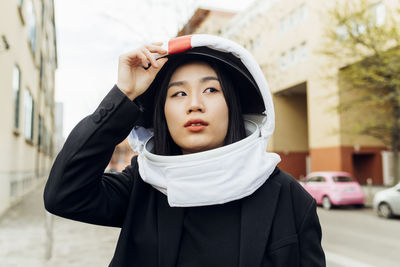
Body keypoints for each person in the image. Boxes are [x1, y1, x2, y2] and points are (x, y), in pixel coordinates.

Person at [44, 34, 326, 267]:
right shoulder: (141, 185)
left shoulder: (290, 199)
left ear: (233, 107)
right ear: (162, 114)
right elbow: (64, 195)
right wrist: (124, 94)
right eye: (178, 93)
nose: (194, 104)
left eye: (211, 90)